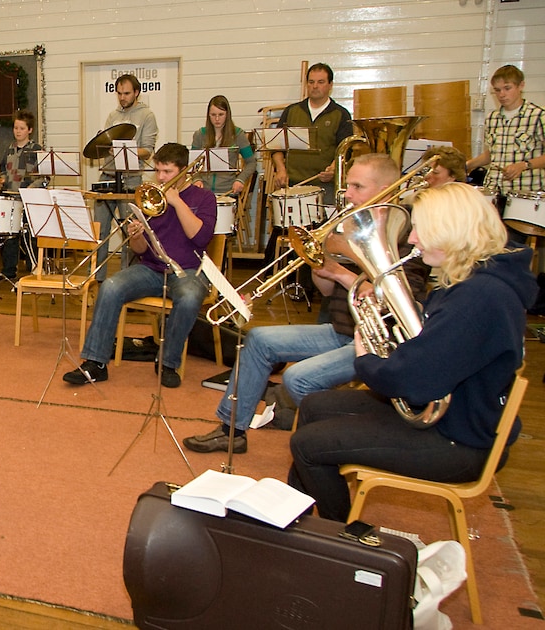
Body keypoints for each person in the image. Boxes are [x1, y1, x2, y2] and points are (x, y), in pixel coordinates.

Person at [289, 183, 536, 522]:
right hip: (456, 414)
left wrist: (366, 360)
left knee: (308, 445)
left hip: (460, 440)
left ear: (450, 231)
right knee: (315, 405)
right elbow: (434, 345)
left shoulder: (481, 297)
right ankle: (291, 519)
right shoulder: (474, 281)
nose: (414, 238)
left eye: (421, 228)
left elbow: (415, 381)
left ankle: (340, 542)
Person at [184, 153, 428, 453]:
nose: (347, 193)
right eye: (347, 185)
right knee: (258, 339)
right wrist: (319, 268)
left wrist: (339, 273)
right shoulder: (349, 225)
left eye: (357, 186)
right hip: (340, 329)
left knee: (297, 379)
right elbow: (326, 291)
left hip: (377, 344)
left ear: (387, 190)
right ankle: (231, 430)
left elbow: (399, 304)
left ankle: (326, 448)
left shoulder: (407, 235)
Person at [65, 143, 216, 389]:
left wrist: (177, 203)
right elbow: (140, 251)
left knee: (189, 297)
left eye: (167, 171)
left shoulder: (204, 198)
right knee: (111, 286)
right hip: (153, 269)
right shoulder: (151, 198)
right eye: (157, 170)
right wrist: (135, 235)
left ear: (183, 171)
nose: (160, 177)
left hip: (188, 270)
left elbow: (200, 238)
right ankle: (95, 363)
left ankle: (168, 363)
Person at [95, 73, 160, 281]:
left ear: (136, 93)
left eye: (126, 93)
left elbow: (148, 150)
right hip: (109, 175)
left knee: (130, 233)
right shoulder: (113, 116)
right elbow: (105, 148)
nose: (122, 97)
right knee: (99, 230)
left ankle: (127, 280)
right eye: (119, 93)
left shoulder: (147, 115)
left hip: (131, 179)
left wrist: (126, 149)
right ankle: (96, 277)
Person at [272, 63, 354, 203]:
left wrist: (333, 169)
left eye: (320, 82)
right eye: (311, 82)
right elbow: (276, 147)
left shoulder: (341, 114)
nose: (315, 86)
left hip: (326, 187)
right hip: (292, 185)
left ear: (330, 85)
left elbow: (346, 150)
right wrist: (281, 170)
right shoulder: (291, 111)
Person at [465, 65, 545, 195]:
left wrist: (524, 165)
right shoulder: (492, 118)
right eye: (497, 90)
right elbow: (493, 153)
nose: (501, 94)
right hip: (494, 190)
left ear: (521, 86)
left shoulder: (538, 115)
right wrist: (467, 164)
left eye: (507, 88)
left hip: (524, 192)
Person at [0, 110, 43, 280]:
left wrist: (31, 190)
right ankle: (8, 270)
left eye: (22, 128)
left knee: (30, 236)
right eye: (15, 128)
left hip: (29, 200)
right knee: (10, 235)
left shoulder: (36, 150)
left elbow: (44, 176)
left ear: (30, 130)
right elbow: (2, 170)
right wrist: (0, 180)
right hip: (11, 199)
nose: (18, 131)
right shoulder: (9, 149)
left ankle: (34, 268)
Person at [191, 95, 257, 196]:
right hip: (204, 191)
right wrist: (197, 179)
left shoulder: (238, 134)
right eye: (213, 115)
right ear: (208, 115)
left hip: (228, 191)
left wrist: (240, 179)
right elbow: (192, 164)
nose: (217, 119)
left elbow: (251, 162)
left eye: (221, 114)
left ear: (227, 114)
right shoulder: (200, 134)